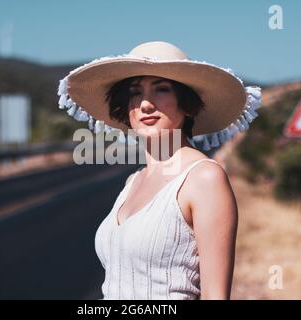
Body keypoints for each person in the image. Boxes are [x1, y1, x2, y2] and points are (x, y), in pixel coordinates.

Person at [57, 41, 261, 299]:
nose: (145, 104)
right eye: (134, 92)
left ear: (186, 104)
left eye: (161, 89)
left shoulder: (203, 178)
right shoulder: (132, 181)